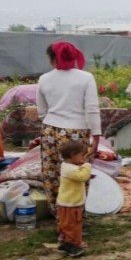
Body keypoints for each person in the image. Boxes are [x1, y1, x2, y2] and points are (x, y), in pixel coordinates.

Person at [36, 41, 101, 212]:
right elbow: (92, 109)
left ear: (52, 58)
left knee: (53, 173)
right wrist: (96, 136)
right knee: (77, 174)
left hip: (50, 130)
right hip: (76, 133)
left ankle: (57, 213)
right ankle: (75, 213)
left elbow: (41, 112)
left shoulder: (44, 79)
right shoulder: (85, 78)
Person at [56, 139, 91, 257]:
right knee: (72, 225)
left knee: (74, 224)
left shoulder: (70, 166)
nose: (83, 158)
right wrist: (87, 165)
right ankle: (71, 246)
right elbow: (83, 176)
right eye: (81, 155)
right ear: (72, 155)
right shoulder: (68, 168)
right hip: (69, 204)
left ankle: (72, 242)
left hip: (72, 202)